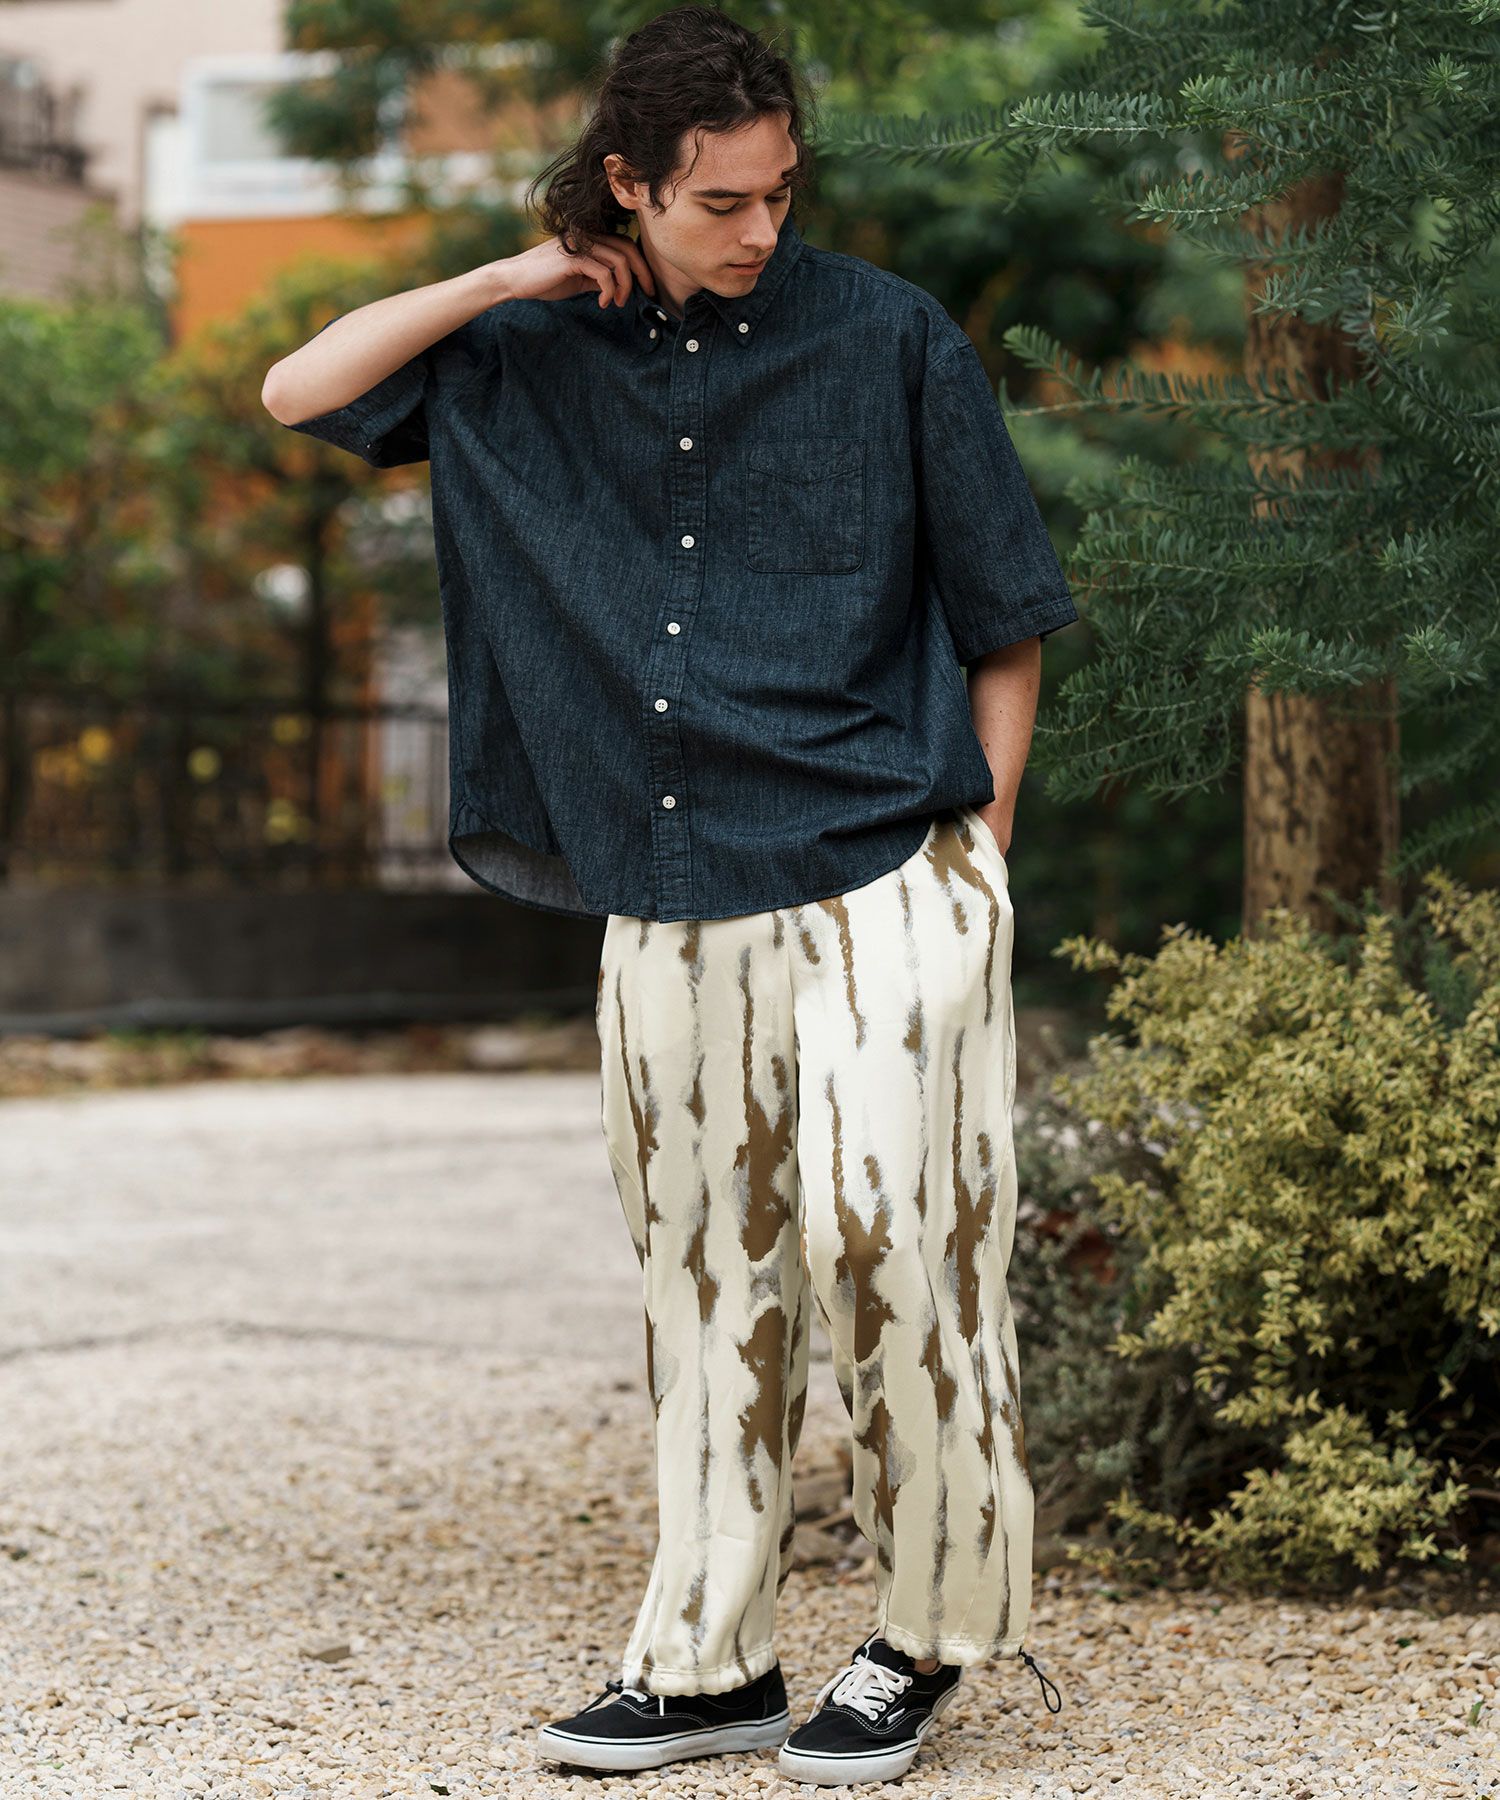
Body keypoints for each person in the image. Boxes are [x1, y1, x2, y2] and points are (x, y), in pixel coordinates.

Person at [262, 3, 1071, 1785]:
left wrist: (986, 851)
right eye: (720, 201)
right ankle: (708, 1663)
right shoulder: (524, 350)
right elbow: (297, 392)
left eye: (781, 193)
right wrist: (512, 278)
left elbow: (1006, 618)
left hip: (891, 864)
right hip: (676, 875)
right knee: (704, 1278)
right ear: (627, 184)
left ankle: (927, 1636)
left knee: (894, 1238)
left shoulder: (888, 339)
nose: (761, 228)